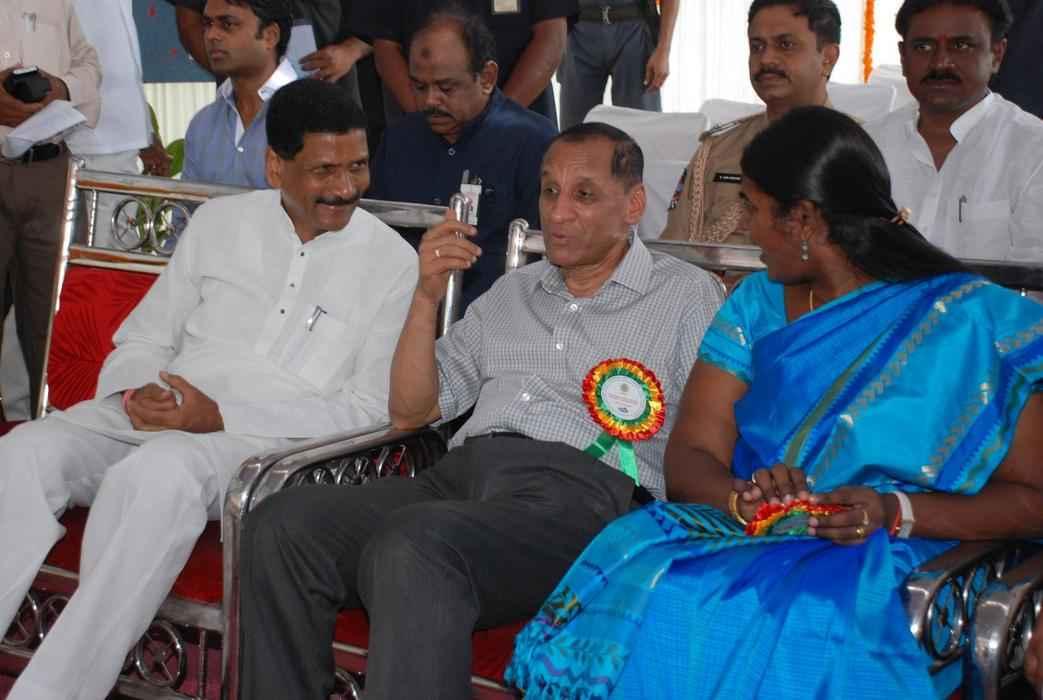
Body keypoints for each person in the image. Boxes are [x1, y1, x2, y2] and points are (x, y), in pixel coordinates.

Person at [507, 106, 1043, 699]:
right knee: (640, 574)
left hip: (905, 549)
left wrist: (893, 510)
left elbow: (1032, 501)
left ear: (803, 220)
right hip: (752, 533)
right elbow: (691, 455)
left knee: (769, 614)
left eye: (756, 209)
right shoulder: (756, 304)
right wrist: (745, 499)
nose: (747, 227)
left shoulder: (967, 321)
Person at [235, 122, 725, 699]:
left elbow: (712, 433)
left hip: (584, 499)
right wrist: (426, 294)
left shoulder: (685, 295)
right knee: (282, 525)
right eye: (549, 191)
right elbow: (413, 412)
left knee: (417, 544)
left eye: (584, 195)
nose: (558, 213)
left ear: (633, 204)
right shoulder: (511, 292)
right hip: (461, 479)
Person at [0, 78, 417, 700]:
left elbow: (365, 410)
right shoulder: (219, 224)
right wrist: (139, 392)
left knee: (155, 475)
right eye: (324, 170)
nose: (345, 187)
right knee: (24, 452)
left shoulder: (393, 263)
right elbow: (143, 338)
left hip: (265, 442)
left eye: (357, 166)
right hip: (161, 409)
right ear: (276, 166)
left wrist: (220, 415)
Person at [368, 6, 556, 308]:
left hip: (499, 315)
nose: (430, 101)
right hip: (406, 312)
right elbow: (376, 239)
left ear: (487, 78)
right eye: (419, 86)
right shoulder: (399, 140)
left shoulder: (534, 144)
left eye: (446, 87)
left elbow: (548, 259)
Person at [865, 0, 1043, 262]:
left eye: (961, 46)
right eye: (923, 47)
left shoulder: (1034, 151)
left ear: (997, 55)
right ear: (903, 57)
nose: (940, 63)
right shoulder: (868, 145)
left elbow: (1033, 279)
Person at [660, 0, 840, 244]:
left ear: (828, 58)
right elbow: (676, 247)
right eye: (757, 47)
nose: (766, 59)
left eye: (785, 45)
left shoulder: (854, 152)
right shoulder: (716, 150)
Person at [0, 1, 101, 418]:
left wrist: (62, 88)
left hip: (50, 173)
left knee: (56, 322)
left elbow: (89, 64)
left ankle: (55, 434)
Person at [354, 0, 577, 126]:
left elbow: (551, 37)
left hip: (519, 119)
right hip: (423, 123)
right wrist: (427, 112)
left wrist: (497, 117)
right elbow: (385, 45)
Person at [69, 0, 172, 246]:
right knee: (106, 251)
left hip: (106, 133)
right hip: (84, 133)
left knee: (107, 249)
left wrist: (143, 131)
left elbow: (121, 50)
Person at [181, 0, 297, 188]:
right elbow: (187, 206)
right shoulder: (203, 124)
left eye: (227, 24)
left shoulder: (313, 116)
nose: (211, 35)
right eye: (207, 24)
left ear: (270, 36)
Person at [558, 0, 679, 130]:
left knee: (641, 128)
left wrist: (663, 50)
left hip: (635, 28)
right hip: (578, 30)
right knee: (575, 131)